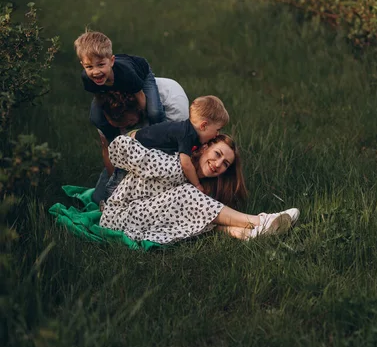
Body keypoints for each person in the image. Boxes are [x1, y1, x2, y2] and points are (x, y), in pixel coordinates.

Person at [99, 133, 300, 244]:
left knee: (196, 210)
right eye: (217, 154)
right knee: (186, 195)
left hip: (144, 221)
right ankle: (261, 220)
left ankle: (249, 234)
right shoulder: (174, 163)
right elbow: (120, 148)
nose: (218, 164)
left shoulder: (199, 188)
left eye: (225, 164)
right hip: (119, 217)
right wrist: (137, 134)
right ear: (204, 148)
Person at [92, 77, 190, 204]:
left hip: (165, 154)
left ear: (139, 108)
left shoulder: (174, 105)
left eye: (128, 123)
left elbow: (172, 162)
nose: (122, 129)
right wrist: (114, 190)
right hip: (131, 150)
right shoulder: (102, 109)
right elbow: (109, 151)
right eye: (117, 125)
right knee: (98, 199)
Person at [74, 30, 166, 143]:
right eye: (89, 67)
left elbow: (140, 97)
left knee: (154, 112)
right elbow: (98, 95)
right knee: (95, 117)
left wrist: (143, 116)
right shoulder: (87, 78)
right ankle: (115, 142)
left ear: (112, 61)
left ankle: (163, 136)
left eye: (101, 65)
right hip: (113, 82)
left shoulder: (127, 74)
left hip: (142, 72)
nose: (96, 72)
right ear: (83, 65)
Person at [134, 95, 229, 192]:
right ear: (203, 125)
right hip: (135, 143)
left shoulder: (186, 130)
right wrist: (197, 185)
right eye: (217, 130)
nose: (217, 135)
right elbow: (186, 164)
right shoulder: (186, 135)